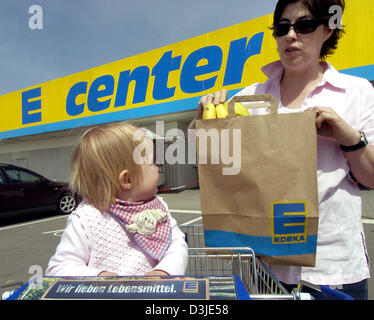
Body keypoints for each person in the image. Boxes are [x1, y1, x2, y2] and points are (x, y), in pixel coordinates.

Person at [189, 0, 373, 299]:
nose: (291, 35)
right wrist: (204, 120)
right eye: (282, 27)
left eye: (304, 25)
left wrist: (348, 136)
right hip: (260, 263)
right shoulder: (250, 96)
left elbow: (372, 178)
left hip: (333, 265)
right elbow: (213, 159)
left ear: (328, 29)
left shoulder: (357, 91)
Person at [45, 122, 188, 277]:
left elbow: (177, 244)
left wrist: (163, 271)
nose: (157, 168)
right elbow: (58, 269)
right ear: (127, 179)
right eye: (152, 163)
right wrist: (99, 276)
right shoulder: (86, 219)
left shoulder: (158, 208)